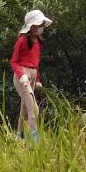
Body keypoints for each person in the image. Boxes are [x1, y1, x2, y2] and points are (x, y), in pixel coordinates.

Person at [11, 10, 51, 142]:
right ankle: (34, 136)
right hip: (22, 76)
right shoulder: (22, 40)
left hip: (33, 75)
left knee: (25, 106)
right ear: (32, 26)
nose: (42, 27)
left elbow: (35, 63)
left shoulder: (38, 41)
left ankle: (19, 135)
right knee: (33, 108)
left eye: (42, 24)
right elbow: (14, 61)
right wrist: (21, 75)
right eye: (40, 24)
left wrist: (38, 79)